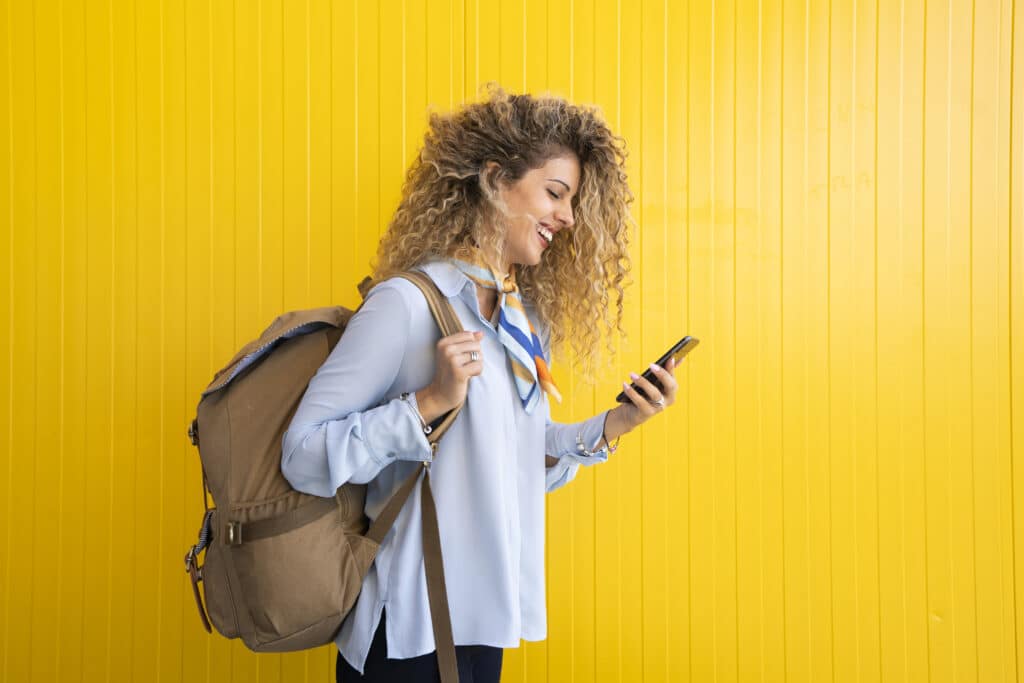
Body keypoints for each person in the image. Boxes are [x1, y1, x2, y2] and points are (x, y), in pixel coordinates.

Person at [281, 85, 680, 683]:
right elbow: (302, 455)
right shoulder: (405, 306)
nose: (567, 218)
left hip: (483, 622)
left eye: (570, 202)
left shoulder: (519, 320)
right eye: (554, 193)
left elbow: (510, 465)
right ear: (495, 181)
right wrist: (428, 403)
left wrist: (614, 425)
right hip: (408, 630)